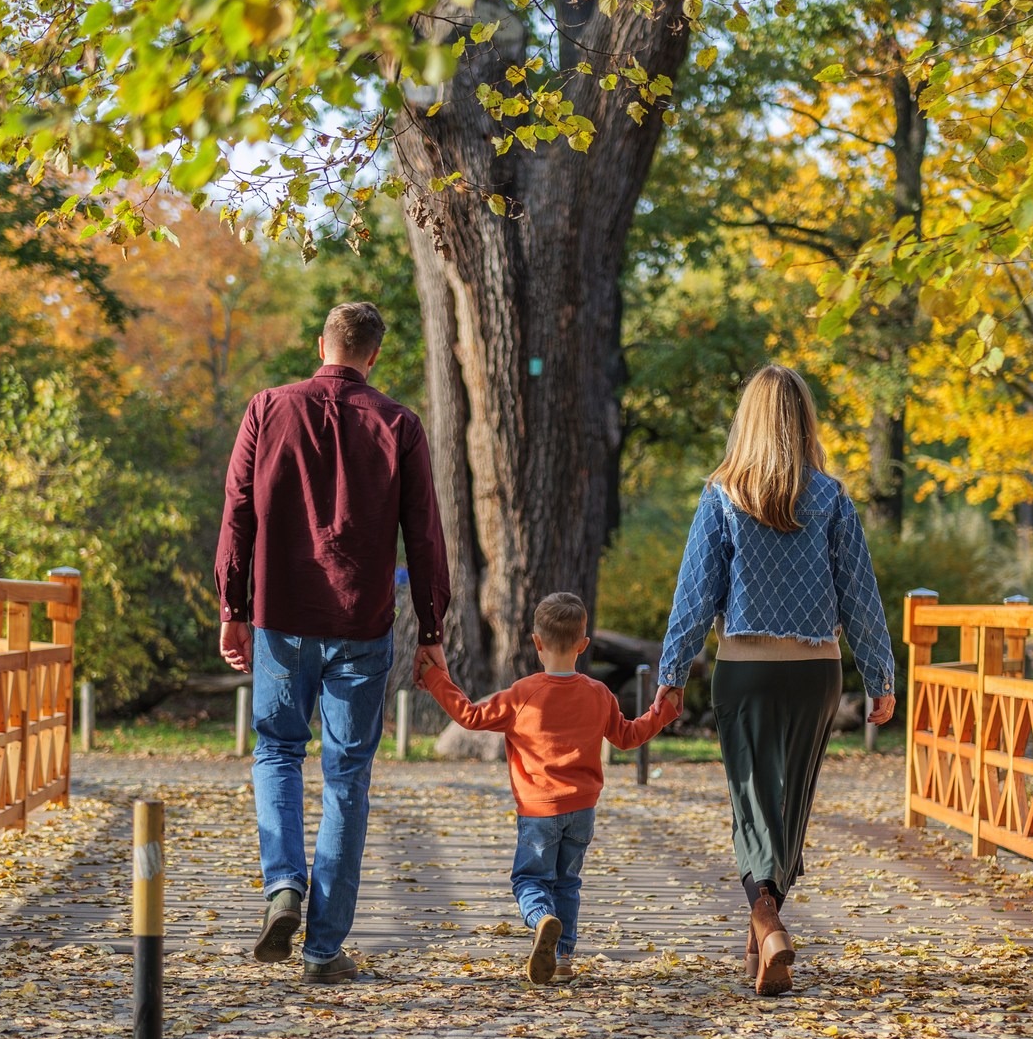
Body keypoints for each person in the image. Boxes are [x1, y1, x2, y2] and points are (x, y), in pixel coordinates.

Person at [216, 302, 451, 983]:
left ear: (321, 344)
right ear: (373, 355)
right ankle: (323, 950)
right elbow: (425, 534)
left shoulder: (266, 408)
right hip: (362, 624)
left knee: (278, 751)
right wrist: (430, 630)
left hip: (280, 616)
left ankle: (282, 884)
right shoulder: (398, 424)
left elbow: (237, 511)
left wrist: (233, 605)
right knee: (347, 777)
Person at [654, 366, 896, 997]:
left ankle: (766, 919)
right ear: (804, 422)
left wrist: (671, 676)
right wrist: (880, 676)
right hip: (816, 671)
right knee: (788, 804)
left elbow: (693, 597)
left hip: (746, 668)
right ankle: (763, 941)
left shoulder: (722, 495)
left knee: (752, 802)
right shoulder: (832, 497)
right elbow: (860, 597)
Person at [417, 593, 678, 983]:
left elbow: (470, 716)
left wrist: (434, 677)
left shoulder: (524, 694)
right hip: (582, 810)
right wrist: (664, 711)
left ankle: (542, 919)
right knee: (568, 882)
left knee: (529, 880)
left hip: (538, 811)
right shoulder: (598, 693)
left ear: (536, 643)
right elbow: (626, 736)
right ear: (583, 645)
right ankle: (564, 959)